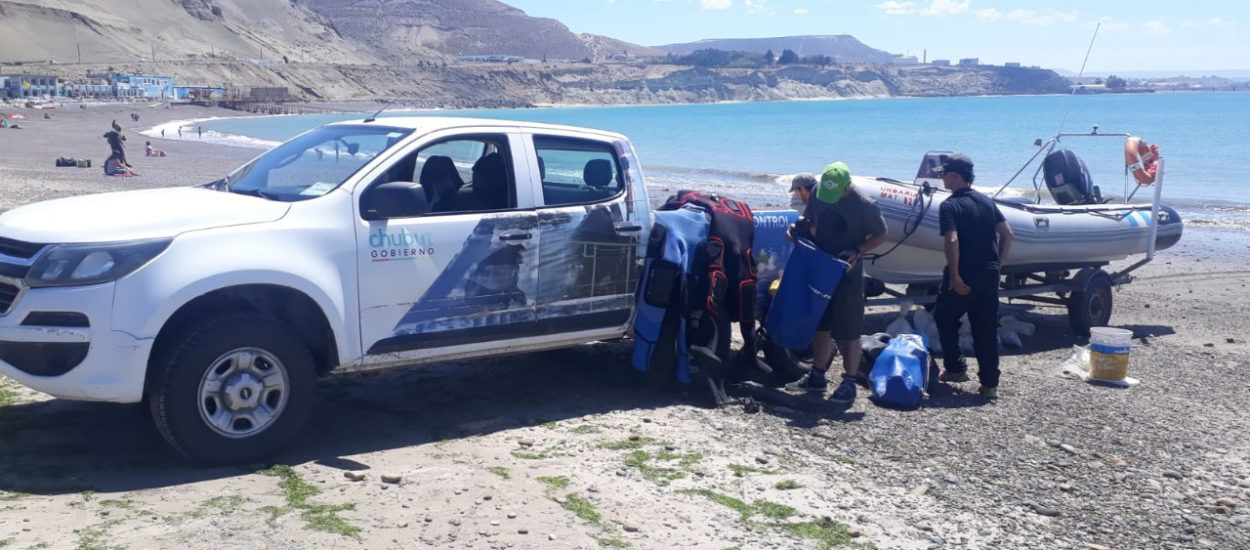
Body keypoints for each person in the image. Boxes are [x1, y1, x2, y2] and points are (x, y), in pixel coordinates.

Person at [786, 163, 889, 405]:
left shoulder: (865, 205)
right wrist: (796, 229)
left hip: (847, 272)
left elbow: (882, 235)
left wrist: (858, 250)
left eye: (837, 194)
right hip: (820, 267)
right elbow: (810, 220)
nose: (830, 198)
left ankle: (849, 383)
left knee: (849, 329)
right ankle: (817, 377)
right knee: (821, 325)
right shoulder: (820, 193)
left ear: (848, 185)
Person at [933, 153, 1014, 400]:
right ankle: (990, 385)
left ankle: (956, 369)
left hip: (964, 273)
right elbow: (1008, 234)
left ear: (954, 176)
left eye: (944, 174)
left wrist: (955, 275)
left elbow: (952, 239)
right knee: (985, 328)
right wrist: (998, 264)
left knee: (945, 317)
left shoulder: (949, 205)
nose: (942, 178)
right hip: (988, 273)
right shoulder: (986, 202)